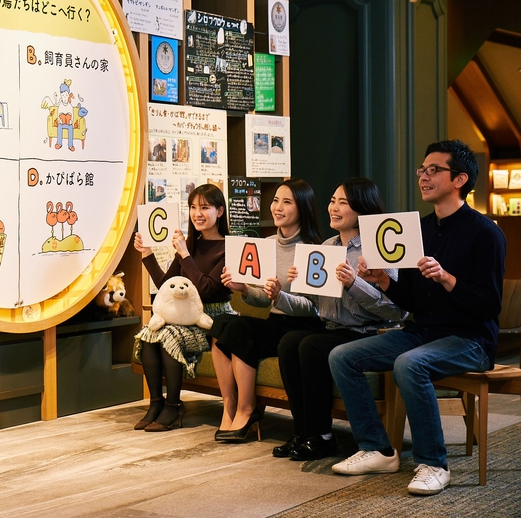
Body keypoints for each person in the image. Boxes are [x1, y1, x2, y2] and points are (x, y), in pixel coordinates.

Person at [329, 140, 506, 496]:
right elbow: (409, 301)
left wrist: (447, 279)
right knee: (342, 356)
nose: (423, 177)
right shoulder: (417, 229)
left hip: (471, 340)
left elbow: (488, 305)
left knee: (410, 365)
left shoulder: (486, 232)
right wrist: (381, 280)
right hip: (422, 330)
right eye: (421, 171)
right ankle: (377, 448)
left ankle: (434, 463)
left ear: (460, 179)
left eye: (433, 170)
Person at [274, 178, 406, 461]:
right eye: (333, 201)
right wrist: (291, 292)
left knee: (310, 345)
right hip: (336, 328)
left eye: (342, 203)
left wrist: (353, 282)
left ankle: (322, 436)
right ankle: (305, 432)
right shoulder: (327, 246)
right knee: (289, 342)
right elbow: (316, 305)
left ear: (362, 209)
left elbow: (395, 310)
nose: (333, 208)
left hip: (371, 333)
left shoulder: (378, 245)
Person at [212, 178, 323, 442]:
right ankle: (230, 408)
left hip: (303, 326)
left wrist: (280, 296)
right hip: (276, 322)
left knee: (240, 328)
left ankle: (246, 409)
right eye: (275, 200)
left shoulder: (315, 248)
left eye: (287, 202)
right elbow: (263, 300)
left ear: (303, 208)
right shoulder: (266, 243)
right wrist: (245, 289)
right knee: (222, 323)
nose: (278, 207)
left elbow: (315, 308)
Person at [132, 184, 233, 432]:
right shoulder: (189, 245)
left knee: (168, 335)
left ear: (219, 211)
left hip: (213, 319)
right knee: (148, 334)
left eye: (205, 207)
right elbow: (166, 285)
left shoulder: (228, 248)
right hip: (184, 317)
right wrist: (147, 254)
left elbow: (207, 288)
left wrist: (186, 256)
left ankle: (174, 406)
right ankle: (156, 403)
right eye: (193, 207)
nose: (197, 213)